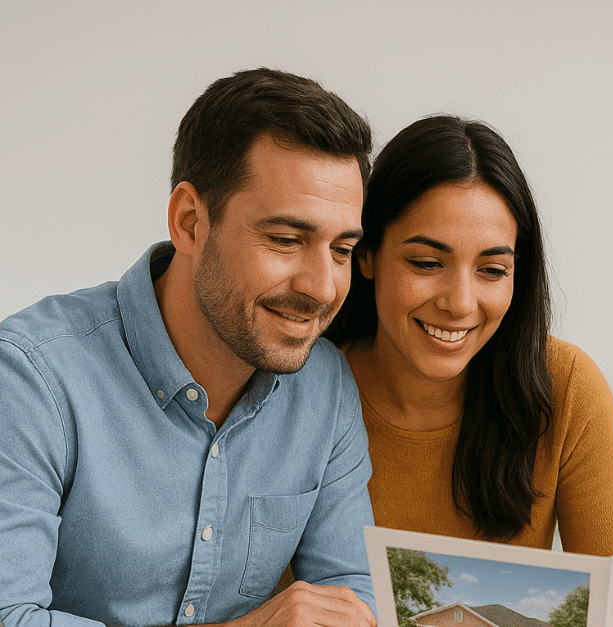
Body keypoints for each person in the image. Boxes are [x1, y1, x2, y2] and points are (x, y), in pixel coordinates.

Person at [0, 68, 379, 627]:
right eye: (285, 240)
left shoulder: (324, 385)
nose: (322, 288)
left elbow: (351, 592)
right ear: (189, 222)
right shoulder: (31, 378)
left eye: (342, 249)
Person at [324, 115, 613, 555]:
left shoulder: (565, 388)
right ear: (367, 255)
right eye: (426, 263)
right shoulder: (300, 391)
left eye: (492, 271)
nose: (460, 303)